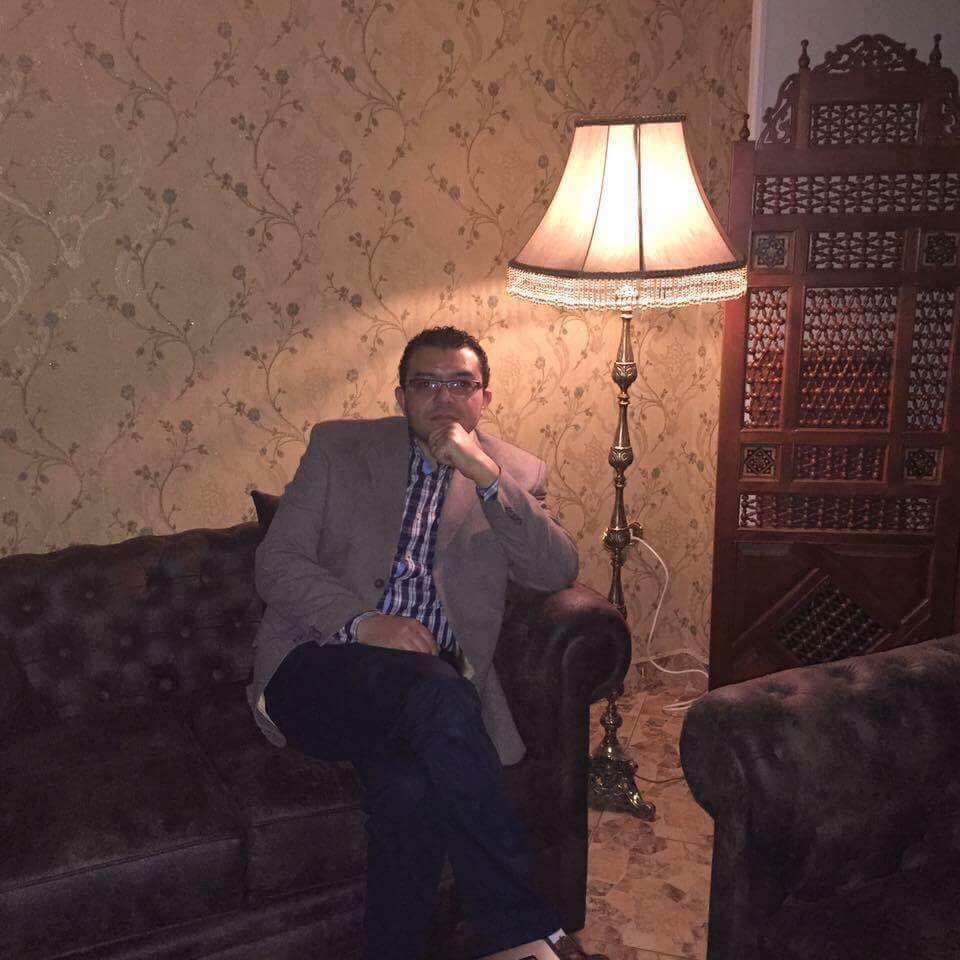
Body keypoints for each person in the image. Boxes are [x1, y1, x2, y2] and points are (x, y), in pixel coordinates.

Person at [247, 326, 607, 960]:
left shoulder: (517, 472)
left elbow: (554, 571)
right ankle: (521, 932)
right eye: (426, 383)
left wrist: (486, 476)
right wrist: (363, 622)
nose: (443, 397)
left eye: (460, 384)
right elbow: (277, 563)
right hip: (319, 667)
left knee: (410, 792)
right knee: (440, 690)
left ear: (484, 398)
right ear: (401, 396)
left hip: (428, 701)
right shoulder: (339, 448)